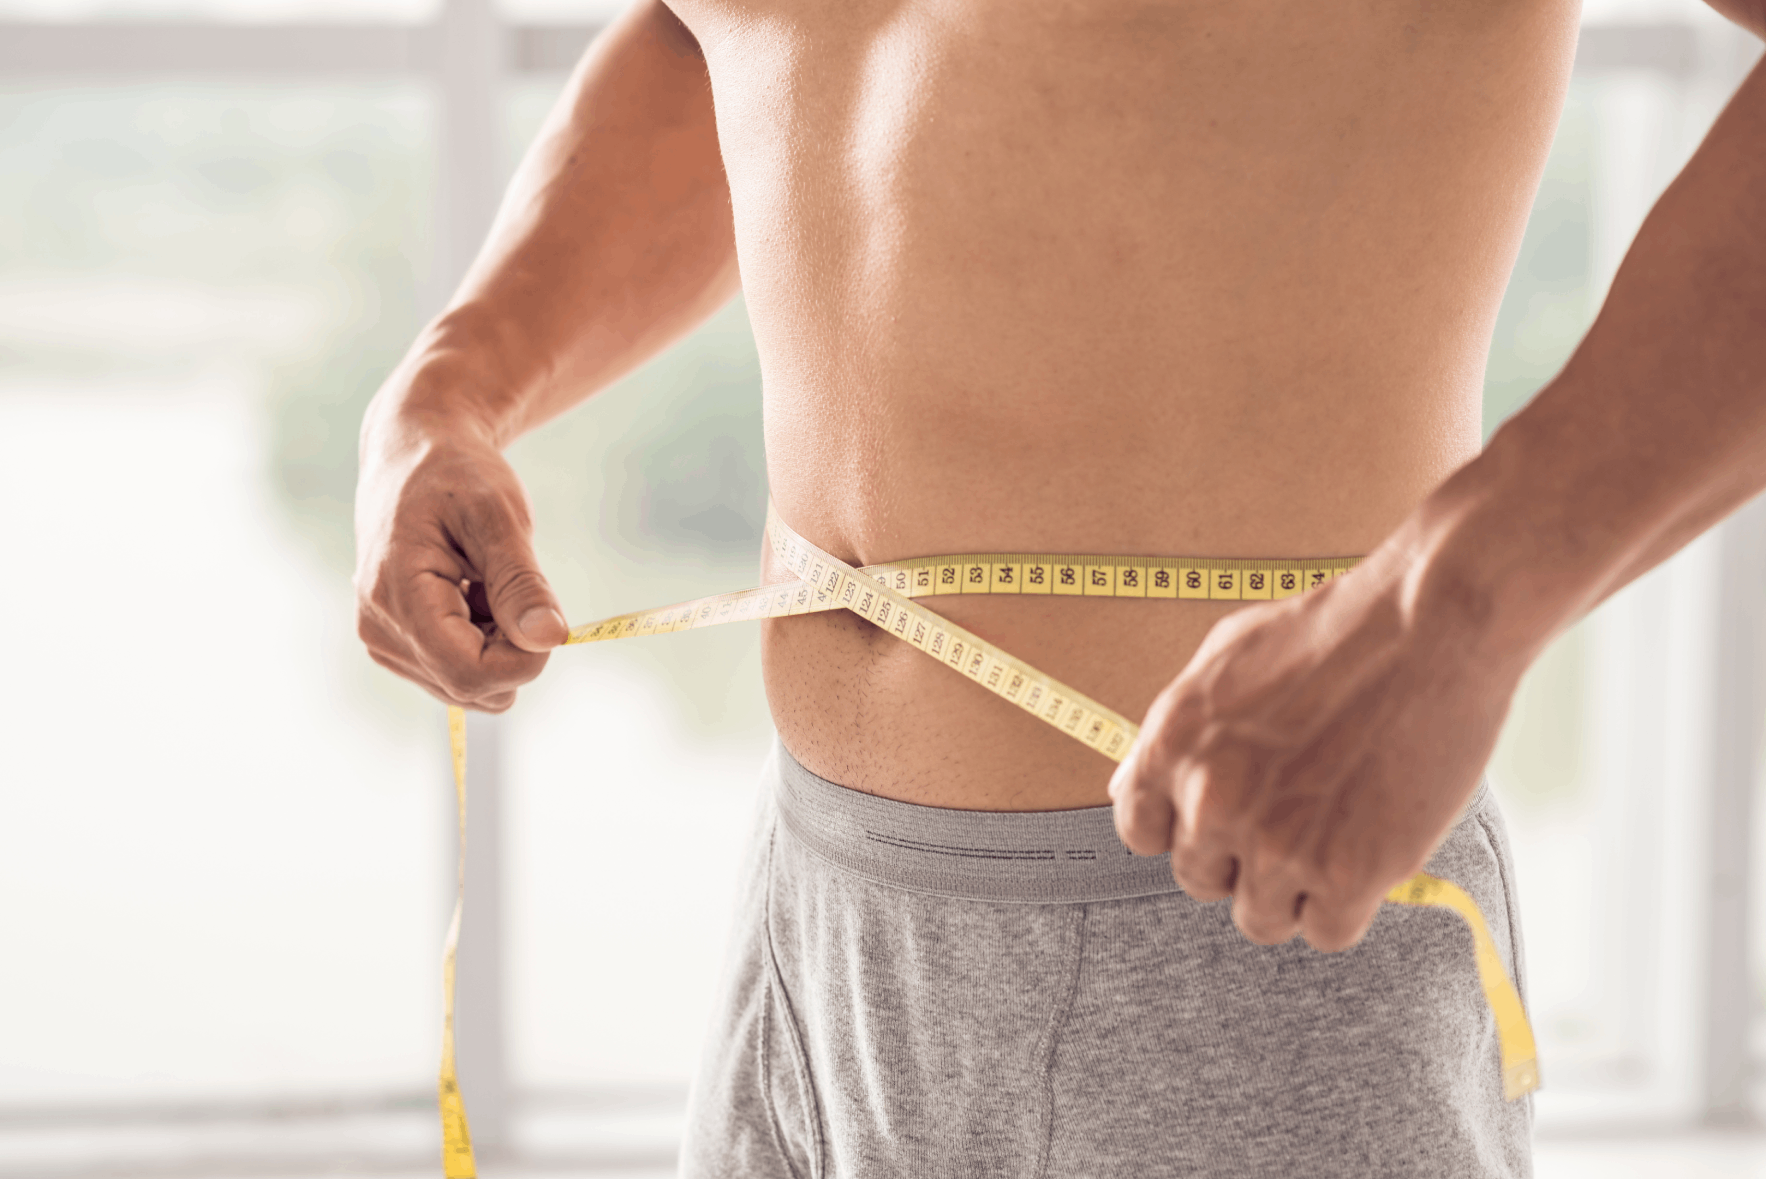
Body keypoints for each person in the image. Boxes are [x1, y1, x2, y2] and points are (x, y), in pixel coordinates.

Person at [353, 0, 1766, 1173]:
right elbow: (708, 30)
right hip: (811, 929)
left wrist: (1451, 606)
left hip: (1233, 953)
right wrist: (453, 385)